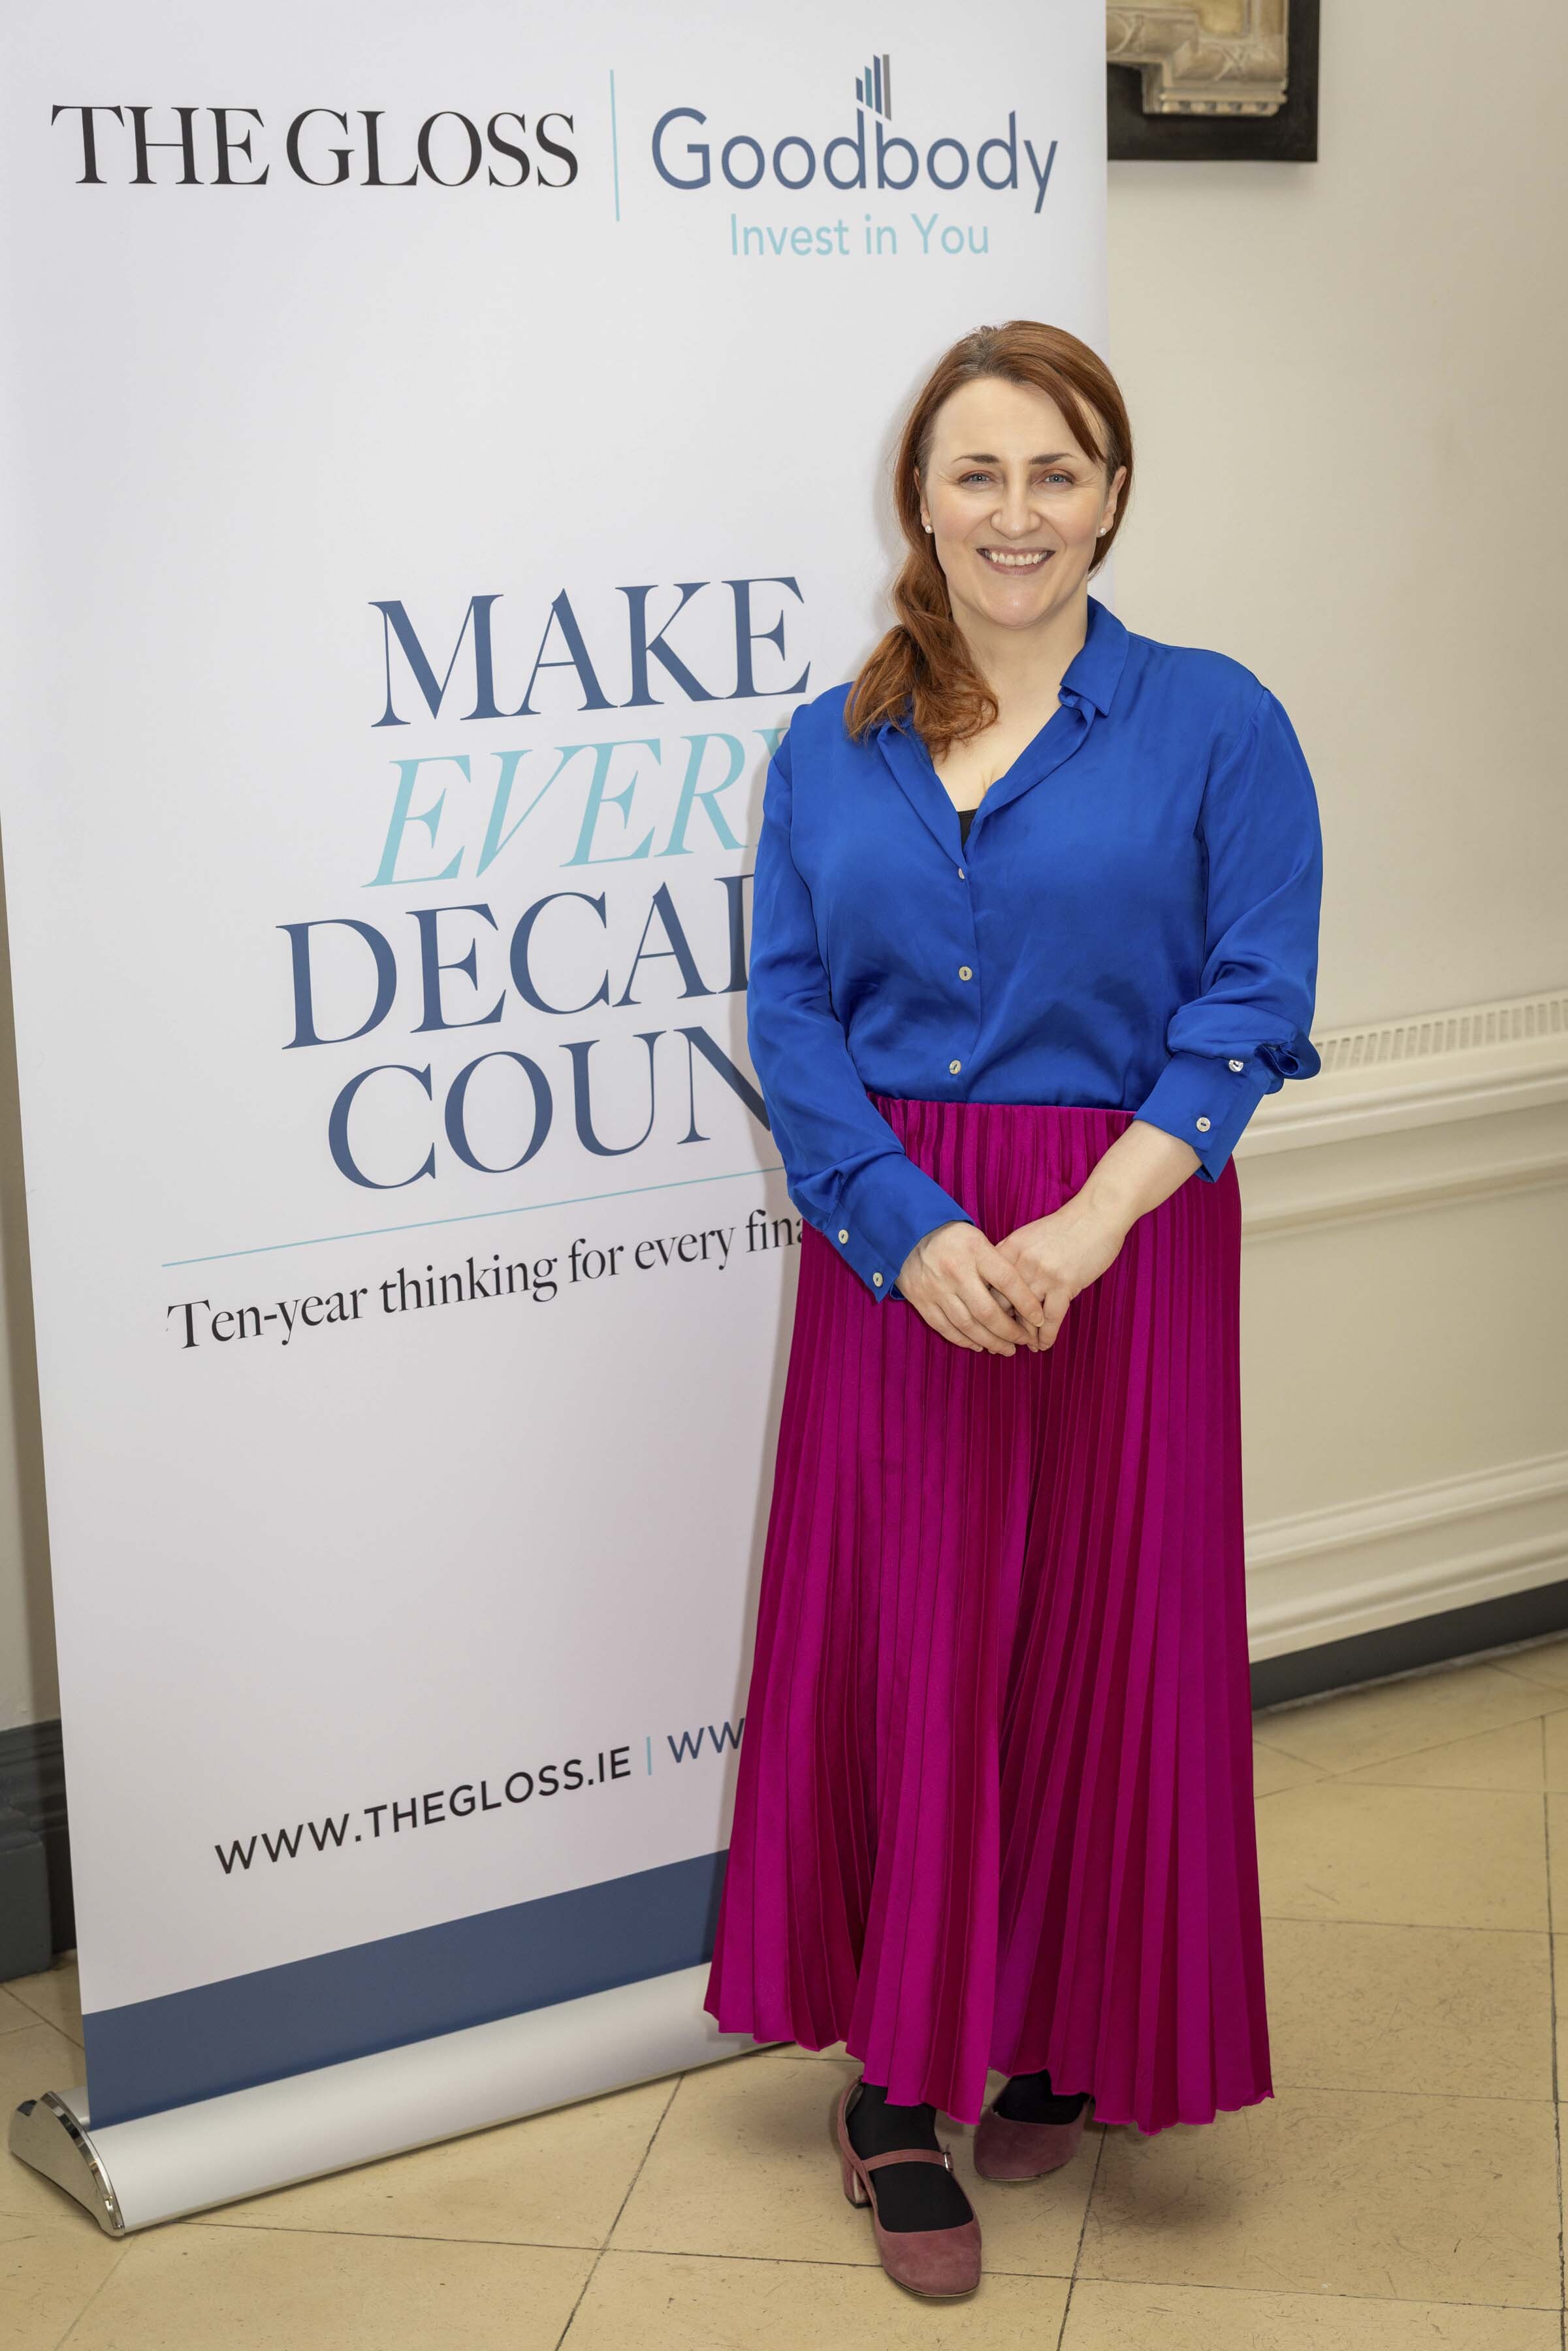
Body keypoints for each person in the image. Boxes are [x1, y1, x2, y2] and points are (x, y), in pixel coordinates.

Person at [703, 319, 1322, 2300]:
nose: (1016, 512)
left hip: (1125, 1244)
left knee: (1100, 1637)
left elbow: (1250, 1003)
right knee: (912, 1644)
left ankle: (1061, 2026)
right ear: (921, 499)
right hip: (902, 1259)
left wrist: (1085, 1228)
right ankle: (894, 2088)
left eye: (1056, 471)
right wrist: (904, 1227)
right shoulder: (831, 744)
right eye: (976, 473)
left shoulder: (1216, 721)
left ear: (1113, 494)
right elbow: (794, 1013)